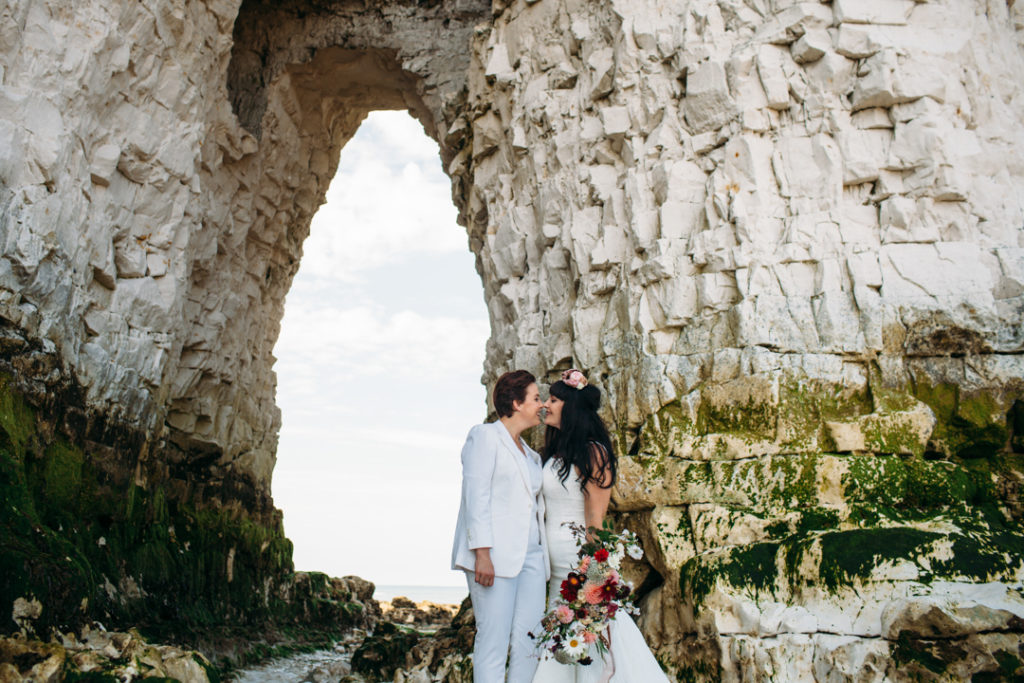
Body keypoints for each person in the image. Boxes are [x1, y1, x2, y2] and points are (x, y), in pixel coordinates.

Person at [532, 369, 670, 683]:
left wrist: (592, 574)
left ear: (571, 408)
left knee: (588, 639)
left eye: (554, 400)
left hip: (577, 567)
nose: (547, 405)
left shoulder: (593, 452)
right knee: (563, 643)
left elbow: (595, 523)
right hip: (552, 567)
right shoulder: (555, 454)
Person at [452, 370, 550, 683]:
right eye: (536, 399)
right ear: (516, 403)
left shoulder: (533, 457)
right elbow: (475, 496)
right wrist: (482, 553)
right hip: (493, 557)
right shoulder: (484, 437)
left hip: (533, 558)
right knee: (493, 642)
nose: (542, 405)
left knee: (529, 642)